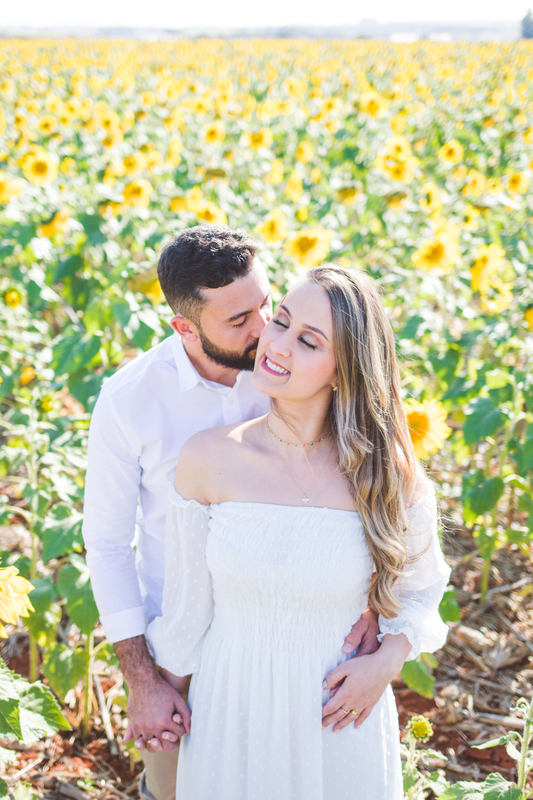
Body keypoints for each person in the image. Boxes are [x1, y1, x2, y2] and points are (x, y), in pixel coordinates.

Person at [82, 228, 385, 800]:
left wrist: (373, 599)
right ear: (184, 328)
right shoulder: (130, 400)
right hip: (173, 641)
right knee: (172, 790)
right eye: (239, 319)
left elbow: (362, 494)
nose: (264, 329)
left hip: (284, 635)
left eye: (266, 304)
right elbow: (106, 545)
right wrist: (142, 680)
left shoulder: (291, 372)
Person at [145, 264, 451, 799]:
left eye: (308, 341)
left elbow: (423, 586)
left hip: (338, 713)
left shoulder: (384, 473)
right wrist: (153, 698)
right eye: (280, 321)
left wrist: (386, 660)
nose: (276, 344)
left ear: (343, 370)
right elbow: (187, 611)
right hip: (230, 708)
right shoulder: (209, 458)